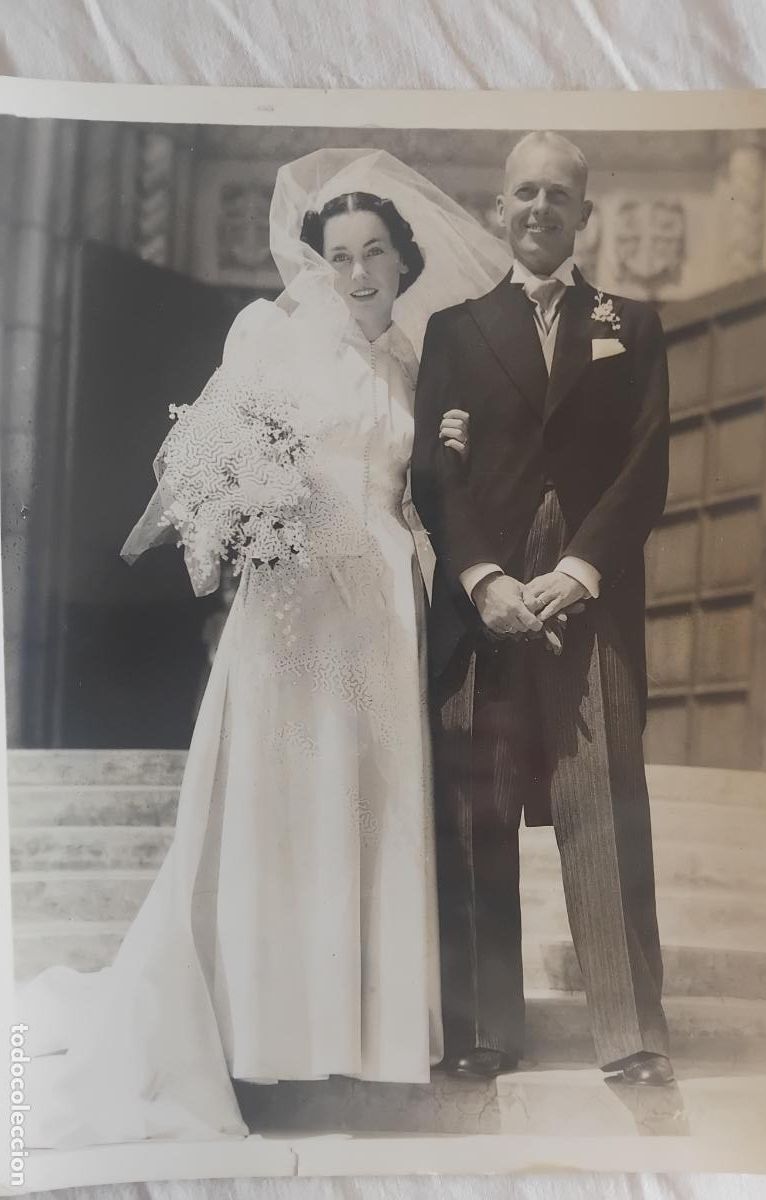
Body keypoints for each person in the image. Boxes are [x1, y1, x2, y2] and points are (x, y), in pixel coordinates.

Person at [16, 149, 511, 1148]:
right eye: (339, 255)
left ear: (405, 261)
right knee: (279, 811)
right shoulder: (271, 336)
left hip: (381, 609)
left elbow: (421, 496)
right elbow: (194, 460)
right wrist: (242, 521)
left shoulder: (419, 364)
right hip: (292, 608)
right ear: (316, 263)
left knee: (363, 818)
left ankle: (355, 1042)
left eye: (376, 252)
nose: (359, 272)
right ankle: (254, 1035)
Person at [411, 131, 674, 1086]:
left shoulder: (631, 325)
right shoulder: (454, 328)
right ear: (498, 210)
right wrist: (483, 578)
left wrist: (579, 570)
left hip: (584, 601)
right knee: (479, 809)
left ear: (583, 215)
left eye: (558, 196)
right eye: (523, 193)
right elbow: (436, 476)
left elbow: (648, 468)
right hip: (488, 606)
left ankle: (633, 1036)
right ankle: (486, 1031)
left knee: (601, 802)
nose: (539, 209)